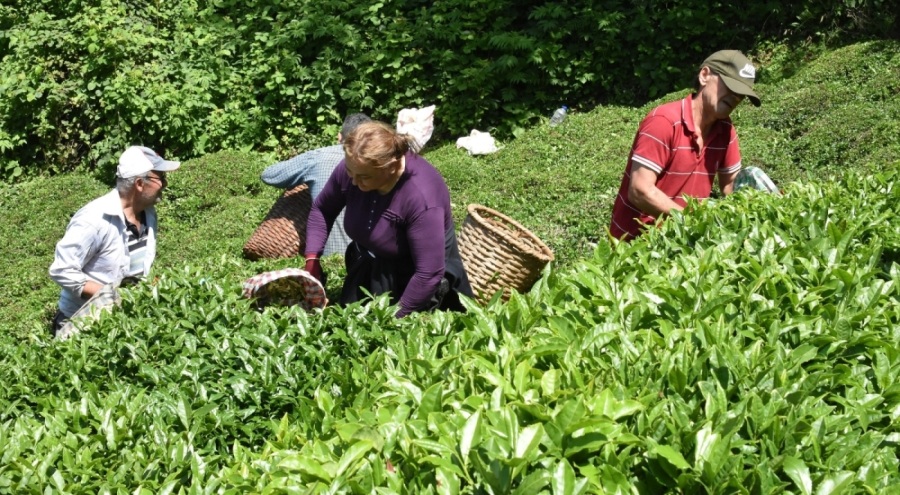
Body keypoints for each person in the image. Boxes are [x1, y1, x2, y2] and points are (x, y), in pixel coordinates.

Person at [303, 120, 473, 317]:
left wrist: (395, 319)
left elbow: (428, 274)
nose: (354, 182)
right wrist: (312, 260)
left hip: (416, 284)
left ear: (391, 167)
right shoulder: (356, 168)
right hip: (370, 264)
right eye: (350, 172)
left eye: (364, 177)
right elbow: (323, 209)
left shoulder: (421, 198)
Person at [609, 50, 761, 241]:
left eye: (741, 94)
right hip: (636, 244)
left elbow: (730, 186)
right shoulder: (664, 121)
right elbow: (640, 191)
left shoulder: (726, 131)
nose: (736, 97)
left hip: (684, 240)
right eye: (731, 86)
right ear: (704, 75)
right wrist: (694, 221)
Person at [48, 146, 180, 334]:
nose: (165, 184)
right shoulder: (93, 220)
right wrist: (112, 295)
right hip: (81, 324)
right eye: (161, 177)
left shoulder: (148, 213)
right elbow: (62, 270)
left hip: (122, 322)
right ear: (140, 184)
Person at [261, 113, 371, 256]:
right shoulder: (381, 165)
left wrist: (305, 179)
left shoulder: (319, 157)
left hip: (329, 257)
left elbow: (269, 175)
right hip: (371, 257)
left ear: (339, 137)